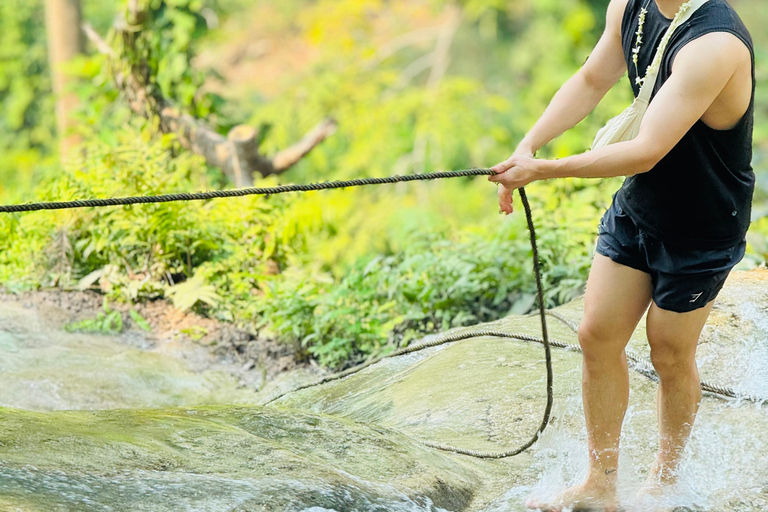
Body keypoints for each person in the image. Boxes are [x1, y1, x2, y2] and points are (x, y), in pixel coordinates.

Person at [488, 0, 755, 510]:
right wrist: (529, 148)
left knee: (669, 353)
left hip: (702, 224)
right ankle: (600, 484)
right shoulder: (629, 4)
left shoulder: (715, 42)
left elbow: (648, 148)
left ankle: (665, 480)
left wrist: (544, 172)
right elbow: (592, 80)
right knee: (596, 334)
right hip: (641, 204)